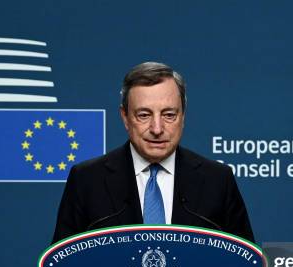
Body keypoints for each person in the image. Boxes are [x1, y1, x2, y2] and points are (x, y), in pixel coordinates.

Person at [52, 62, 254, 243]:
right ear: (125, 117)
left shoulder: (217, 180)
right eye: (144, 115)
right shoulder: (87, 180)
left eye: (168, 115)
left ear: (182, 116)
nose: (157, 128)